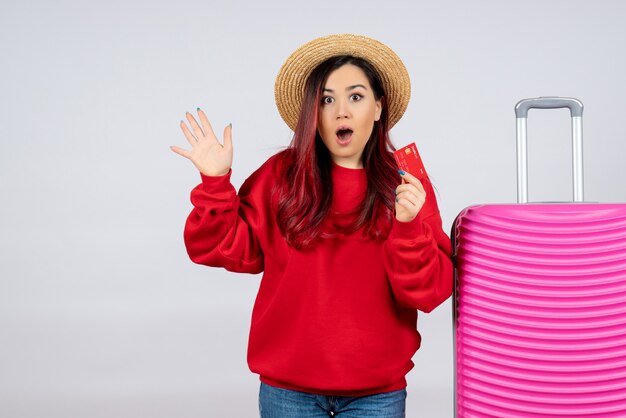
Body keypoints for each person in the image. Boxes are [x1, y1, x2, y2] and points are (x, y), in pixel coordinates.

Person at [171, 34, 453, 418]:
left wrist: (406, 227)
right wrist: (216, 183)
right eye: (326, 99)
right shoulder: (280, 176)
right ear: (313, 114)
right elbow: (219, 247)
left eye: (355, 96)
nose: (341, 111)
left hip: (377, 395)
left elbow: (429, 292)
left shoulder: (406, 183)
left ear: (377, 107)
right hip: (288, 393)